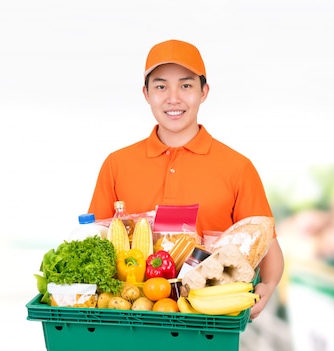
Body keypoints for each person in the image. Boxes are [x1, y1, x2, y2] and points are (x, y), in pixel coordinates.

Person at [87, 39, 284, 320]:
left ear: (204, 91)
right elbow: (95, 241)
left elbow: (265, 243)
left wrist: (269, 284)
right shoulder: (117, 164)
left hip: (209, 318)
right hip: (131, 315)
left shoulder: (237, 167)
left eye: (186, 85)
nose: (174, 98)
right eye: (161, 86)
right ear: (146, 93)